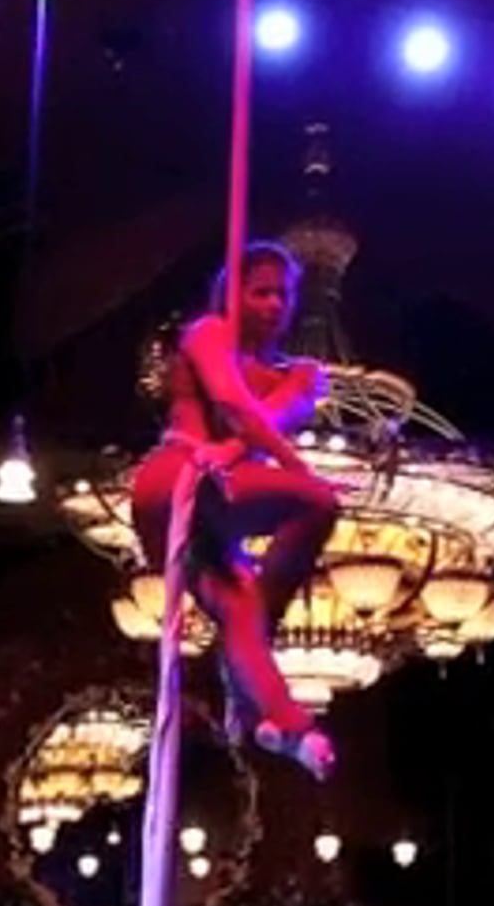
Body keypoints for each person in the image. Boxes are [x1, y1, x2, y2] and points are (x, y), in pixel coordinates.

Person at [133, 241, 340, 779]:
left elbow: (257, 422)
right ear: (233, 293)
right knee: (318, 501)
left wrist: (234, 447)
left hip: (220, 498)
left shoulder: (297, 374)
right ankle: (250, 660)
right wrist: (298, 469)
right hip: (178, 479)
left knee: (241, 609)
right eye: (261, 292)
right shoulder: (208, 333)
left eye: (283, 294)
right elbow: (231, 403)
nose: (274, 305)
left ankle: (283, 725)